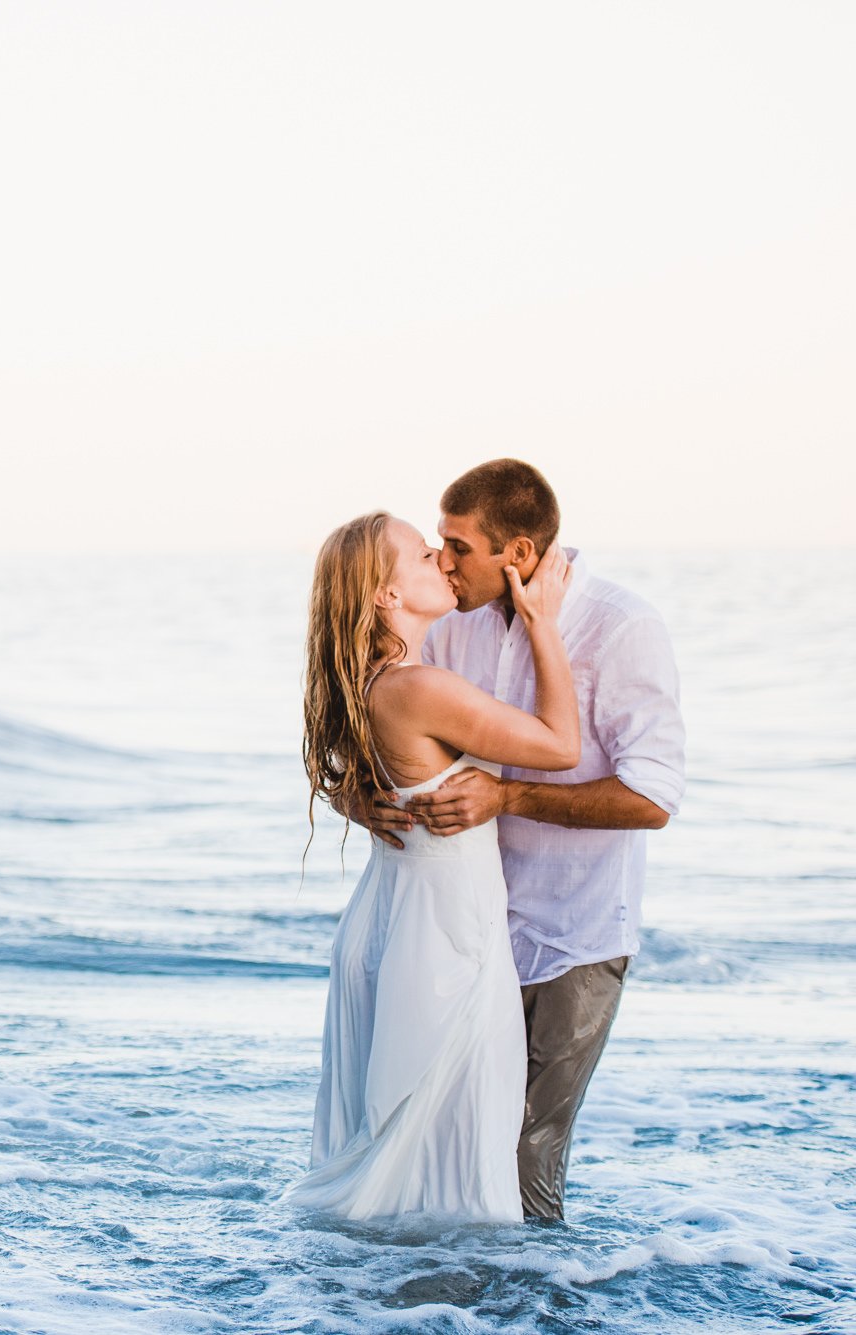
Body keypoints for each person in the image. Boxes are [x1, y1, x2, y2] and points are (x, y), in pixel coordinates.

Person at [362, 459, 686, 1222]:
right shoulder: (453, 622)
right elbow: (388, 720)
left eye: (457, 545)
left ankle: (539, 1304)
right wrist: (363, 796)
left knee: (529, 1150)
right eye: (436, 545)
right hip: (473, 933)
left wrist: (508, 795)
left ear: (518, 554)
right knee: (454, 1140)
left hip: (575, 936)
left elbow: (653, 797)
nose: (442, 560)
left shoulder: (622, 627)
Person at [288, 508, 578, 1222]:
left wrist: (351, 795)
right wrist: (543, 621)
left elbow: (354, 775)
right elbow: (560, 743)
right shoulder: (420, 688)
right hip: (444, 943)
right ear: (386, 595)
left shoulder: (372, 680)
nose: (443, 563)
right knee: (455, 1174)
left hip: (400, 923)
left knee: (406, 1169)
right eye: (423, 556)